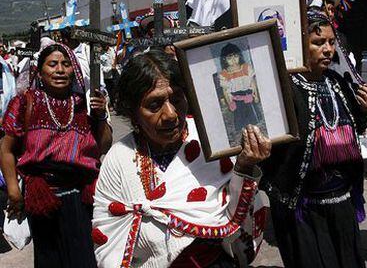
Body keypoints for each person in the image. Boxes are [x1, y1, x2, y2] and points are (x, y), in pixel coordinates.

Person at [92, 49, 271, 267]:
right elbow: (109, 236)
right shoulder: (118, 159)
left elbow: (239, 219)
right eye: (154, 105)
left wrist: (245, 168)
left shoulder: (210, 140)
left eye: (176, 99)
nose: (170, 114)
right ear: (132, 111)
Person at [260, 11, 367, 268]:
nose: (327, 49)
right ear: (301, 44)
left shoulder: (337, 82)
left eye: (331, 42)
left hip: (342, 199)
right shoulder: (284, 88)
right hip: (302, 207)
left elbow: (353, 127)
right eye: (318, 42)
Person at [0, 43, 113, 268]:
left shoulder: (85, 105)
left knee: (85, 258)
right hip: (42, 196)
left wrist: (100, 116)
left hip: (81, 198)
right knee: (49, 259)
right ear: (40, 72)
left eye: (66, 64)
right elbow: (6, 148)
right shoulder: (24, 103)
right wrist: (13, 190)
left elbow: (103, 146)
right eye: (52, 64)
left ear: (75, 70)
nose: (60, 70)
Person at [218, 43, 260, 132]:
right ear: (224, 60)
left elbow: (252, 83)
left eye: (235, 57)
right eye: (230, 58)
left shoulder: (246, 67)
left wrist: (256, 96)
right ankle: (243, 130)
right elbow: (225, 90)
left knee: (252, 116)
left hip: (248, 96)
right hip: (236, 99)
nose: (233, 60)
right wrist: (230, 102)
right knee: (239, 116)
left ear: (239, 56)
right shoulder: (224, 74)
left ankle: (253, 127)